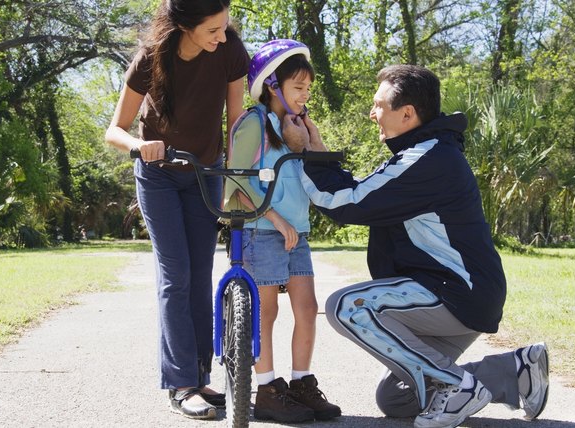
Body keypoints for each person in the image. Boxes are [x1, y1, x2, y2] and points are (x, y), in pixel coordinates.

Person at [282, 64, 549, 428]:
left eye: (378, 105)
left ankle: (459, 387)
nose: (372, 113)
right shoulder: (423, 152)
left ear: (407, 113)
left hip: (456, 292)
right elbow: (365, 192)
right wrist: (319, 153)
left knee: (347, 307)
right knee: (396, 399)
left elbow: (347, 204)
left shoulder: (428, 158)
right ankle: (516, 371)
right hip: (460, 295)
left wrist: (303, 154)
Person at [104, 0, 249, 420]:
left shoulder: (230, 50)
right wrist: (138, 146)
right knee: (176, 276)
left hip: (206, 172)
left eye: (224, 27)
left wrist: (236, 181)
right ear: (185, 26)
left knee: (201, 273)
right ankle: (181, 383)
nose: (222, 36)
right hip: (159, 175)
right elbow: (115, 129)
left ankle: (200, 375)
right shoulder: (150, 59)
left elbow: (236, 121)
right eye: (213, 30)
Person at [223, 39, 341, 423]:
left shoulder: (299, 125)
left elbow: (320, 172)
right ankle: (268, 390)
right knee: (266, 311)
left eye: (308, 88)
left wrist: (312, 139)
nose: (305, 96)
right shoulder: (254, 123)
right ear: (272, 86)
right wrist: (274, 217)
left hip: (298, 232)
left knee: (307, 308)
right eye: (298, 88)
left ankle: (301, 383)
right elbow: (238, 179)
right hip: (263, 229)